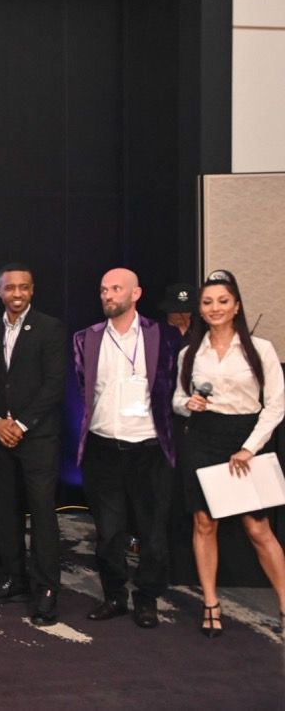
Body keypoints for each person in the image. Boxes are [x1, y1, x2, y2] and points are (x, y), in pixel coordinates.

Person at [173, 270, 285, 637]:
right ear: (200, 309)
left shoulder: (261, 349)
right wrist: (188, 404)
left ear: (236, 306)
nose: (215, 308)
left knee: (258, 528)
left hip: (246, 439)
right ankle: (211, 603)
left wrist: (250, 448)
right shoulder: (190, 353)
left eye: (223, 301)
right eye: (208, 302)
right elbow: (177, 400)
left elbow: (276, 405)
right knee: (205, 523)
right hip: (203, 438)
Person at [73, 267, 180, 629]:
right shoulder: (86, 338)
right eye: (104, 289)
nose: (108, 295)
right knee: (108, 533)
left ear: (136, 294)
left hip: (149, 448)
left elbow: (174, 385)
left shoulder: (162, 335)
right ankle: (115, 596)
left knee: (153, 533)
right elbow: (83, 387)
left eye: (116, 288)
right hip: (103, 448)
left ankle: (147, 599)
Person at [0, 264, 67, 626]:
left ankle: (46, 588)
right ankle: (14, 577)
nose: (17, 293)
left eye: (23, 287)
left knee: (42, 513)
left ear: (32, 290)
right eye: (10, 287)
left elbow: (55, 384)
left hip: (38, 437)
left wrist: (22, 424)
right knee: (4, 510)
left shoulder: (50, 328)